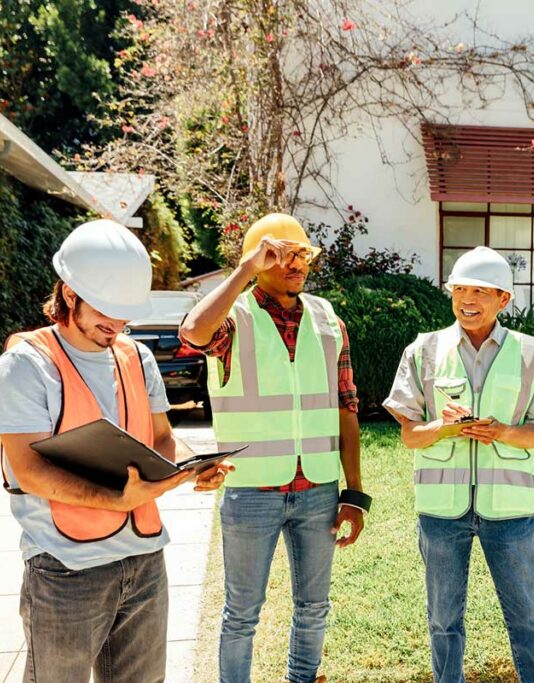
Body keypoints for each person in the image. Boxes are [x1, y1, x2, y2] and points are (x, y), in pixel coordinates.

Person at [0, 219, 232, 683]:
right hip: (66, 571)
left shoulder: (136, 356)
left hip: (143, 563)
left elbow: (161, 437)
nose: (117, 324)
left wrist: (190, 467)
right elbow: (28, 472)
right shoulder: (25, 366)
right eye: (106, 309)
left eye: (125, 314)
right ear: (68, 292)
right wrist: (116, 499)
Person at [180, 212, 371, 683]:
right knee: (242, 613)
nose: (295, 264)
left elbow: (347, 407)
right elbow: (193, 332)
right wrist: (244, 271)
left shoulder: (329, 321)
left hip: (318, 491)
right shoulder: (235, 318)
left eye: (301, 255)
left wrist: (355, 492)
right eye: (280, 255)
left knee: (314, 606)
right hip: (252, 492)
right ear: (258, 258)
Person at [383, 246, 534, 683]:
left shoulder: (531, 353)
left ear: (504, 299)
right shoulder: (423, 350)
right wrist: (447, 429)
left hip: (510, 512)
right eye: (459, 289)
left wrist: (500, 431)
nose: (467, 299)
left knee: (529, 618)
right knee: (443, 621)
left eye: (480, 291)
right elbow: (410, 434)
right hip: (441, 513)